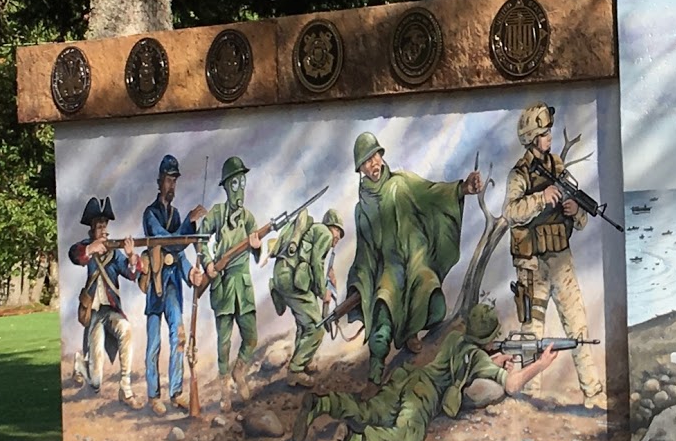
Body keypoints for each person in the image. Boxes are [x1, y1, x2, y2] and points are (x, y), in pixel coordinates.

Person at [290, 302, 559, 441]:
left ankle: (320, 404)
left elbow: (467, 360)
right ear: (490, 336)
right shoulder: (477, 356)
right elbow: (511, 386)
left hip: (407, 378)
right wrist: (540, 364)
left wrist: (496, 359)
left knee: (371, 411)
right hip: (422, 395)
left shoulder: (456, 339)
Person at [346, 130, 482, 384]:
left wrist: (463, 189)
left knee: (434, 303)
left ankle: (412, 332)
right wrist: (359, 284)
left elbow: (432, 192)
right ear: (360, 169)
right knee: (383, 316)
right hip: (391, 267)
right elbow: (365, 251)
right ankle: (375, 372)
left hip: (417, 260)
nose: (374, 164)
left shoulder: (402, 182)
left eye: (375, 157)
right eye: (367, 161)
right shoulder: (361, 208)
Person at [503, 103, 603, 407]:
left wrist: (575, 213)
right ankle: (527, 395)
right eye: (544, 133)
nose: (549, 138)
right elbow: (510, 212)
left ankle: (593, 392)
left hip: (560, 259)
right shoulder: (519, 174)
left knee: (578, 324)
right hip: (531, 264)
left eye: (548, 133)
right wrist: (540, 198)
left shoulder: (557, 167)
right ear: (532, 137)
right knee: (532, 331)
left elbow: (579, 215)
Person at [190, 156, 262, 407]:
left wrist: (256, 246)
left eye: (242, 182)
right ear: (226, 187)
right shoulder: (218, 214)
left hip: (242, 285)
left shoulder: (249, 219)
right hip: (222, 286)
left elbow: (257, 252)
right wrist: (209, 262)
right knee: (223, 343)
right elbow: (200, 239)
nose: (239, 188)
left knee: (251, 337)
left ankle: (239, 371)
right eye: (234, 183)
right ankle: (224, 389)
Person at [68, 196, 141, 407]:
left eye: (104, 225)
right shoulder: (85, 247)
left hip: (111, 311)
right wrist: (91, 249)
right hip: (94, 315)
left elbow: (130, 274)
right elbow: (75, 255)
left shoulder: (114, 252)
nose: (102, 229)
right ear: (92, 228)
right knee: (96, 382)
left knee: (126, 328)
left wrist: (132, 258)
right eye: (98, 225)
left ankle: (125, 386)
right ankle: (81, 364)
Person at [269, 205, 345, 388]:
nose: (337, 240)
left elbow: (311, 261)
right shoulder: (325, 233)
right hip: (293, 280)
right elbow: (316, 264)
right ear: (333, 227)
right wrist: (322, 292)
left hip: (283, 275)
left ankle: (305, 359)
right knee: (317, 327)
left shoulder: (313, 231)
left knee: (304, 324)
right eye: (338, 234)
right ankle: (295, 370)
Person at [140, 153, 192, 416]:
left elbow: (180, 253)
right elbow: (166, 240)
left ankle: (176, 392)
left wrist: (191, 274)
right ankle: (153, 395)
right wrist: (189, 225)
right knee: (153, 344)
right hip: (155, 285)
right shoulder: (150, 214)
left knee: (178, 338)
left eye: (174, 180)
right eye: (168, 179)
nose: (171, 185)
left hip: (173, 287)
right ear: (159, 181)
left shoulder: (177, 214)